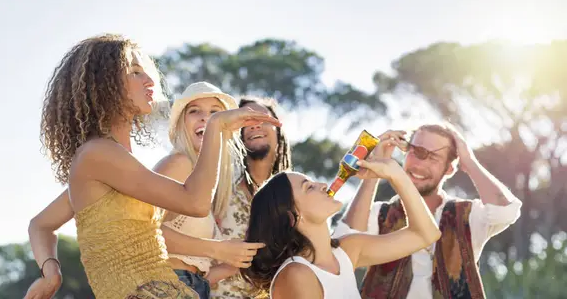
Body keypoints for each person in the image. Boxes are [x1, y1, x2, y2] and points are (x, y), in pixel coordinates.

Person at [24, 34, 281, 299]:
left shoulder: (113, 163)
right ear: (103, 84)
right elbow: (195, 202)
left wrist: (51, 273)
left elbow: (40, 225)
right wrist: (215, 126)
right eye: (135, 72)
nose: (149, 81)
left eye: (146, 72)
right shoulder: (97, 154)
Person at [240, 131, 442, 299]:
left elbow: (426, 234)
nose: (323, 185)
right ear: (292, 217)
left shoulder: (346, 251)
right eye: (309, 187)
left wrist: (395, 175)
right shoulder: (296, 274)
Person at [336, 124, 522, 298]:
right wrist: (373, 171)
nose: (419, 164)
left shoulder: (468, 215)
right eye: (415, 152)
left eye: (433, 157)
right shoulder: (380, 214)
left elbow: (505, 211)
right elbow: (342, 248)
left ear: (449, 169)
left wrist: (469, 162)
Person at [156, 81, 266, 298]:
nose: (206, 118)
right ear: (181, 123)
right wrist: (218, 249)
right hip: (167, 285)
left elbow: (196, 269)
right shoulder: (180, 163)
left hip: (190, 286)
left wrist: (238, 260)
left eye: (215, 113)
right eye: (195, 111)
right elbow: (145, 232)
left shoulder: (204, 181)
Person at [209, 96, 293, 298]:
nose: (255, 126)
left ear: (279, 133)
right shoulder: (217, 189)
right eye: (247, 121)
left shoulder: (297, 198)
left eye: (262, 119)